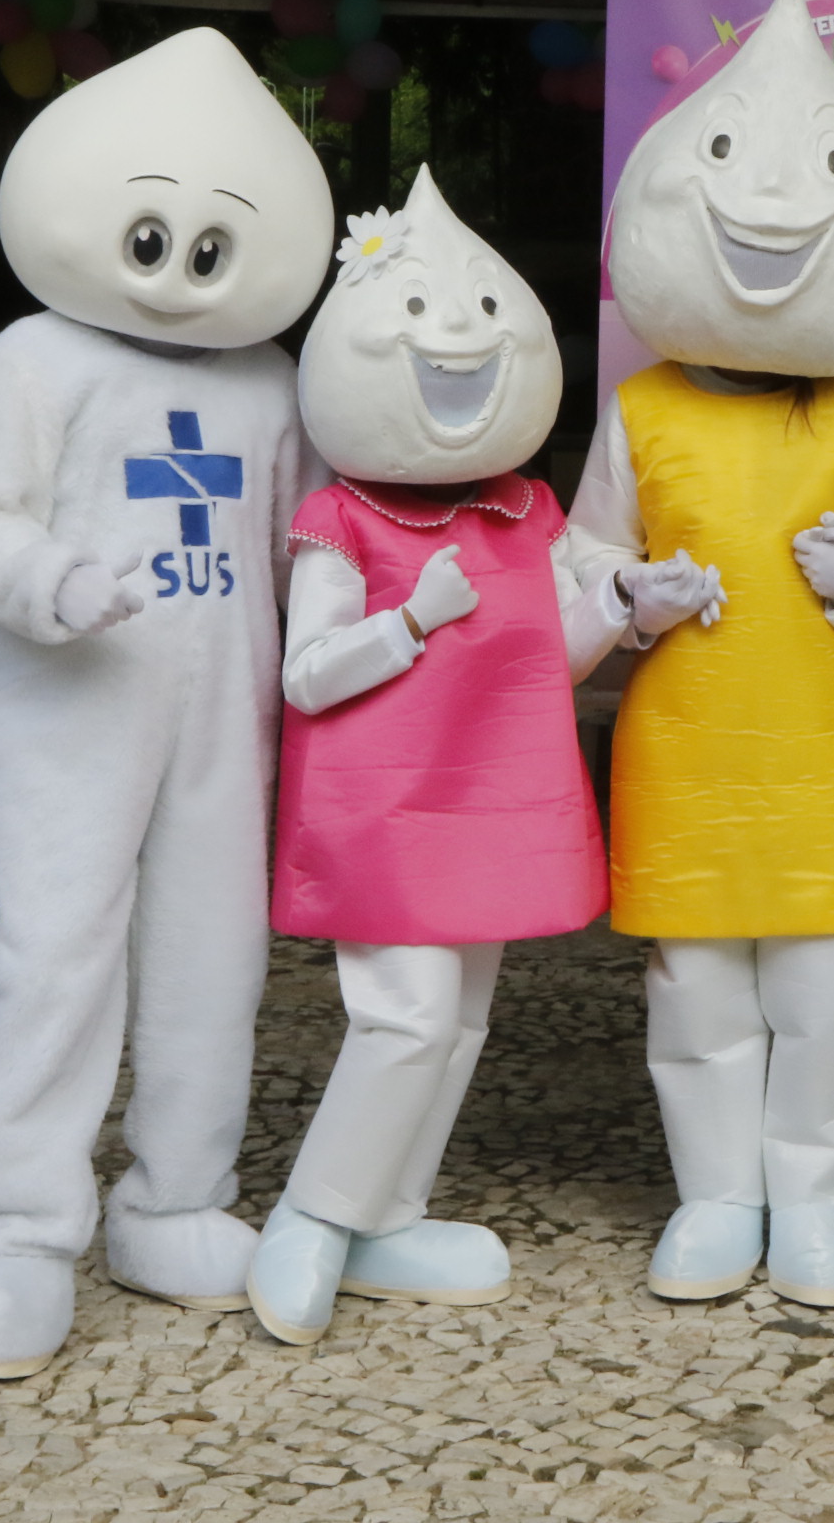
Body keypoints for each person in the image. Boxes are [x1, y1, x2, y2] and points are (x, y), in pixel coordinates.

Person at [0, 28, 336, 1379]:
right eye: (150, 235)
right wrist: (49, 577)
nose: (172, 270)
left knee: (214, 962)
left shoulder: (274, 384)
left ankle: (176, 1198)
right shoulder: (33, 360)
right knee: (57, 956)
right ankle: (28, 1227)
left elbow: (302, 548)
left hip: (229, 718)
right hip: (68, 717)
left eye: (209, 247)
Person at [571, 0, 834, 1309]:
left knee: (827, 983)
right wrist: (633, 600)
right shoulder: (642, 410)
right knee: (697, 991)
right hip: (686, 742)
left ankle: (816, 1201)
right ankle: (717, 1195)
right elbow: (586, 557)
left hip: (822, 747)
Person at [247, 169, 618, 1346]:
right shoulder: (344, 518)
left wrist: (630, 606)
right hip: (385, 802)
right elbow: (306, 674)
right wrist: (410, 623)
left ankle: (387, 1215)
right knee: (402, 1015)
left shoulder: (525, 508)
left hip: (496, 799)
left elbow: (553, 658)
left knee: (458, 1020)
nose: (458, 344)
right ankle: (313, 1213)